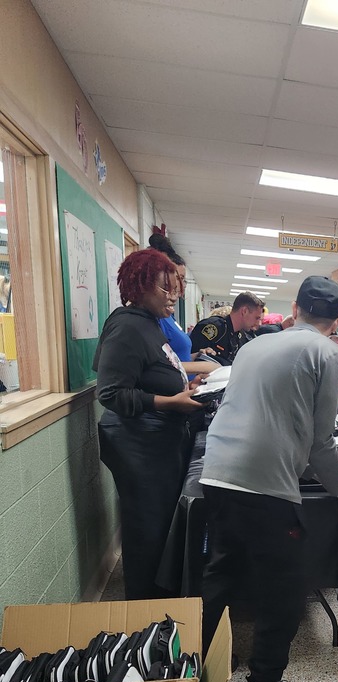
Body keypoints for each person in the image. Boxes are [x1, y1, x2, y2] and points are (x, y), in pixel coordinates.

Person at [199, 276, 338, 682]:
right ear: (335, 321)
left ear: (294, 309)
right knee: (286, 585)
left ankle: (200, 666)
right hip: (264, 481)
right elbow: (320, 441)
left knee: (222, 571)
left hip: (217, 470)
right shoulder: (328, 352)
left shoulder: (255, 344)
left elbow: (269, 415)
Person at [93, 248, 202, 599]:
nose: (174, 295)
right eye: (165, 288)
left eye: (176, 287)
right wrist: (172, 401)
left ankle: (161, 599)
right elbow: (111, 393)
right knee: (147, 528)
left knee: (159, 524)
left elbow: (150, 374)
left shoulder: (148, 322)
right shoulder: (127, 326)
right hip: (138, 444)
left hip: (157, 439)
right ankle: (145, 606)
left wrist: (185, 387)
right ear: (140, 286)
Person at [147, 232, 217, 378]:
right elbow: (157, 366)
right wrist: (206, 366)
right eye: (179, 278)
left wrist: (197, 355)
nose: (181, 285)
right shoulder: (153, 317)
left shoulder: (168, 315)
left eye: (183, 280)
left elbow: (175, 358)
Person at [189, 292, 265, 364]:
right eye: (257, 318)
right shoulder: (213, 328)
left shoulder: (242, 337)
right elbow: (189, 360)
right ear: (244, 311)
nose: (258, 323)